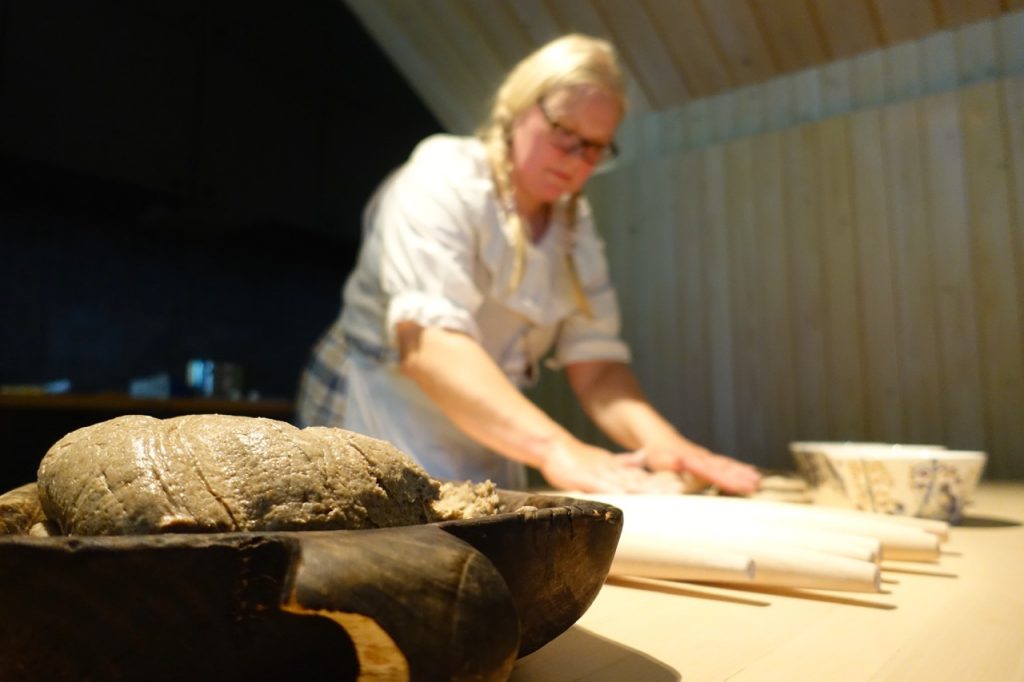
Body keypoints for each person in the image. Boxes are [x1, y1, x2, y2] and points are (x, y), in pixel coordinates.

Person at [297, 34, 760, 495]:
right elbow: (429, 346)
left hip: (491, 426)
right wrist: (556, 449)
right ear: (519, 107)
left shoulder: (572, 227)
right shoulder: (443, 178)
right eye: (564, 133)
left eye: (595, 147)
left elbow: (596, 367)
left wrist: (664, 442)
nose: (577, 160)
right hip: (378, 410)